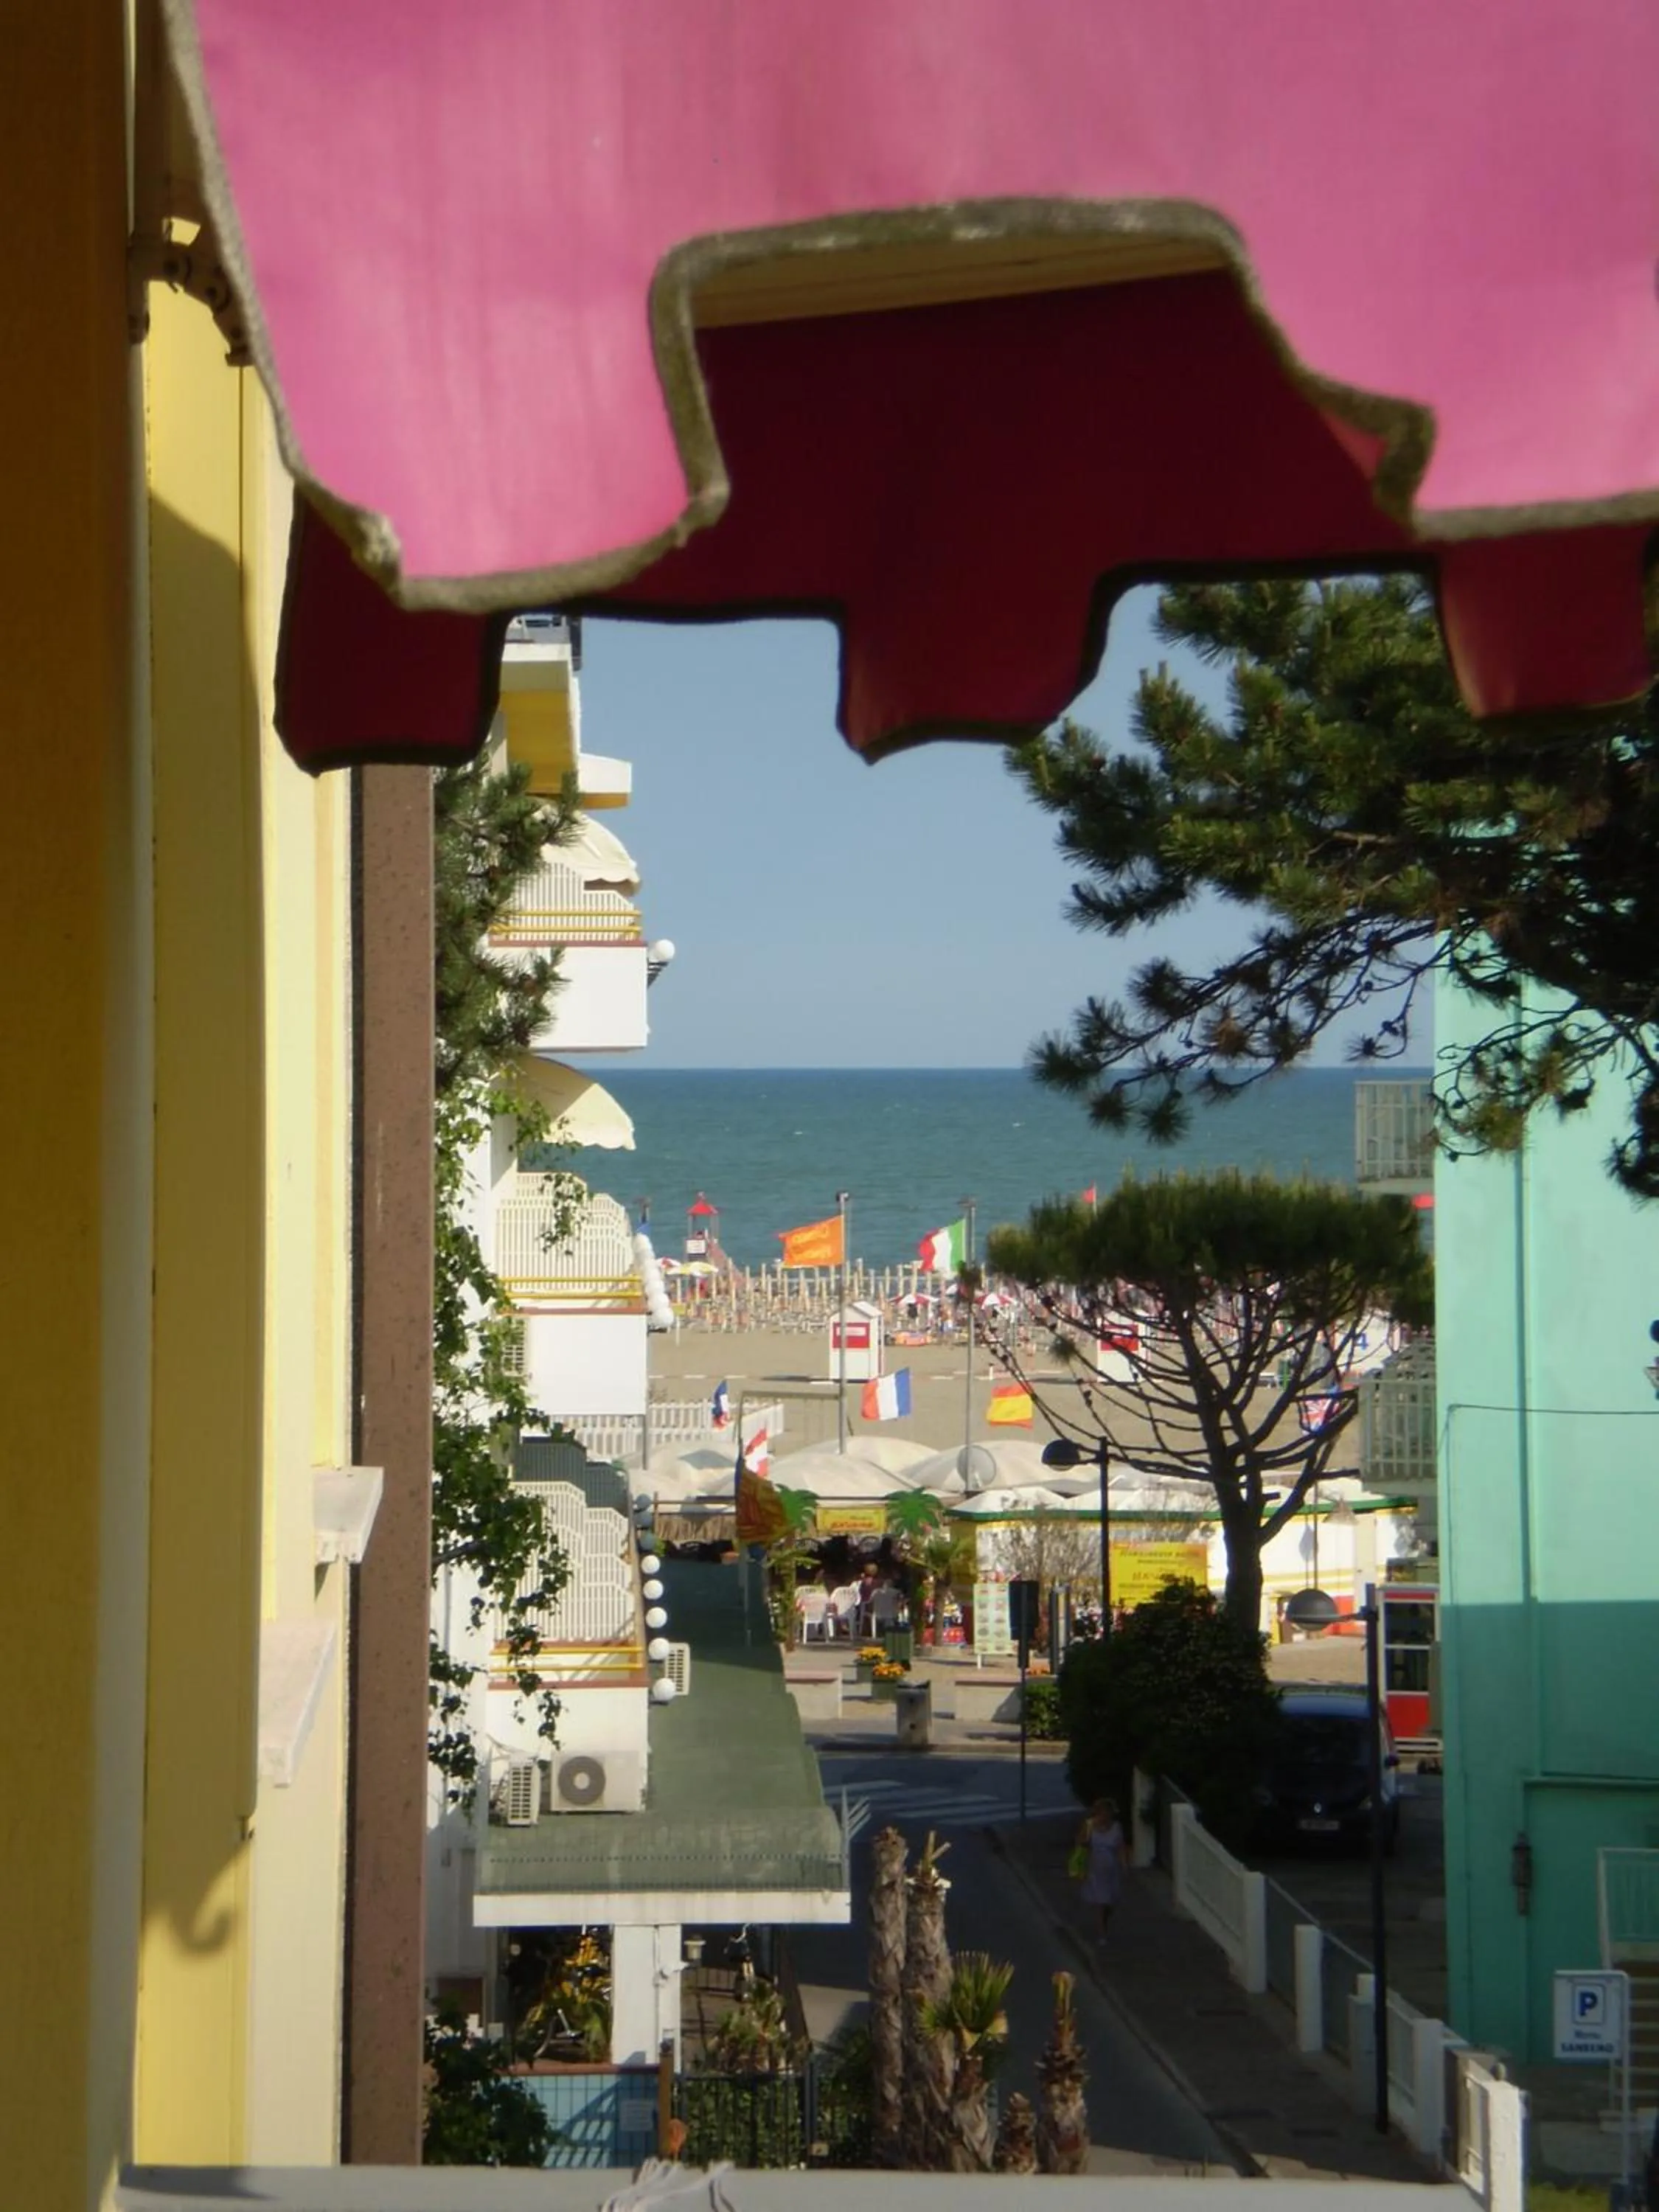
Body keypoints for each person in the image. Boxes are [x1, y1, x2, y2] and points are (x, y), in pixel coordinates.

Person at [1078, 1797, 1125, 1944]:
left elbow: (1121, 1847)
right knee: (1100, 1902)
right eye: (1102, 1813)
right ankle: (1102, 1934)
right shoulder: (1090, 1826)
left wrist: (1124, 1864)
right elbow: (1081, 1842)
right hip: (1095, 1869)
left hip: (1111, 1871)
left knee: (1110, 1902)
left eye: (1107, 1813)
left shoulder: (1116, 1827)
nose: (1104, 1816)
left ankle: (1104, 1921)